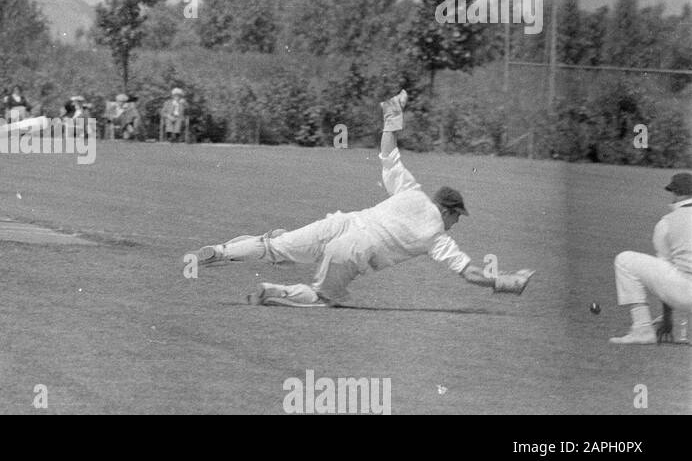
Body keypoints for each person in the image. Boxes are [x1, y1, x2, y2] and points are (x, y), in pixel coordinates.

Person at [191, 90, 535, 307]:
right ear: (446, 210)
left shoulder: (411, 190)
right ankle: (271, 290)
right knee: (326, 297)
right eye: (457, 216)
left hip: (341, 222)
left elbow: (388, 153)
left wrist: (393, 113)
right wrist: (503, 282)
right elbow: (468, 272)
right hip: (355, 249)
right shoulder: (436, 236)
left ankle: (220, 251)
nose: (456, 223)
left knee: (275, 245)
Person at [607, 173, 692, 344]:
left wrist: (667, 318)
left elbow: (665, 268)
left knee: (624, 260)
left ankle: (642, 329)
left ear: (675, 193)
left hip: (684, 293)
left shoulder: (666, 222)